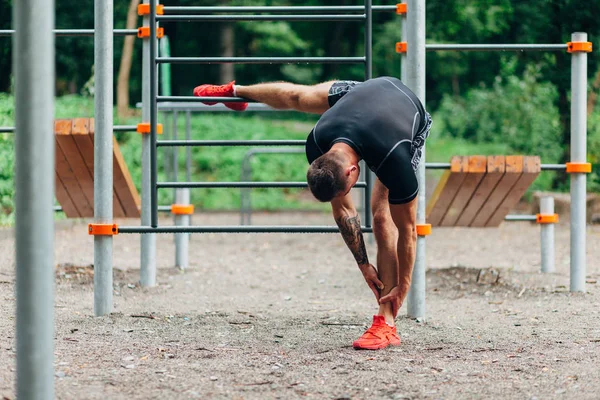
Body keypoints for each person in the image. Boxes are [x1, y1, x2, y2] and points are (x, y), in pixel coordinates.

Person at [193, 78, 432, 350]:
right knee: (298, 96)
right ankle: (236, 91)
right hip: (361, 95)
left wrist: (403, 284)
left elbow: (409, 231)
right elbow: (344, 211)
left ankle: (385, 322)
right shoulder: (318, 141)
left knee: (381, 215)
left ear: (352, 172)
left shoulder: (393, 158)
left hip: (402, 112)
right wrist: (363, 264)